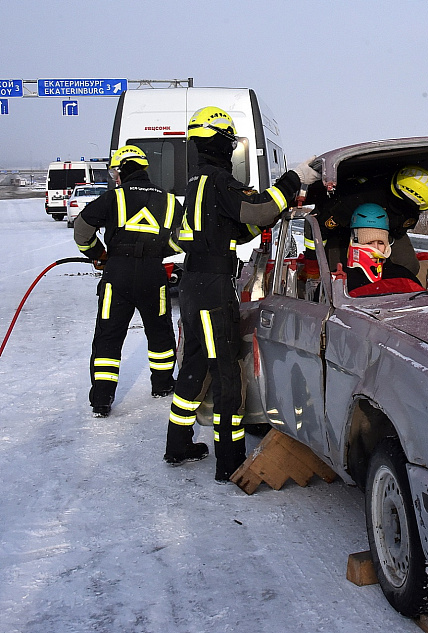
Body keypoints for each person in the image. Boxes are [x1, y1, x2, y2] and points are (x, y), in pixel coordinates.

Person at [163, 106, 319, 482]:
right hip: (214, 288)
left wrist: (268, 216)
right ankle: (229, 461)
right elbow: (260, 210)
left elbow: (233, 229)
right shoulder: (218, 181)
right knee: (227, 373)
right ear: (221, 143)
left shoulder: (195, 184)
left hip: (193, 285)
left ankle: (178, 444)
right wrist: (293, 179)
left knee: (197, 364)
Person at [73, 144, 184, 418]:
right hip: (153, 274)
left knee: (109, 336)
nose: (115, 178)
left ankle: (102, 399)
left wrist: (98, 254)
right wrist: (160, 251)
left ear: (123, 170)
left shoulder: (114, 197)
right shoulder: (169, 200)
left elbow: (82, 228)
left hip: (117, 273)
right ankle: (162, 384)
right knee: (159, 331)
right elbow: (185, 237)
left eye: (115, 173)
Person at [303, 165, 428, 278]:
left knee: (408, 267)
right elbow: (316, 228)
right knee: (341, 274)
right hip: (344, 233)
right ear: (402, 199)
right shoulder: (356, 199)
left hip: (391, 232)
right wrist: (312, 265)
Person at [344, 203, 424, 297]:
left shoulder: (403, 275)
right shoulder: (342, 280)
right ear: (355, 242)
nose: (376, 249)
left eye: (381, 243)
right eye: (369, 243)